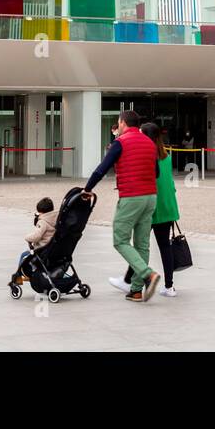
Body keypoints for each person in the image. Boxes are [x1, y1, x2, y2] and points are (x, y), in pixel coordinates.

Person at [81, 109, 160, 303]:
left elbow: (102, 168)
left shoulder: (120, 143)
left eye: (119, 123)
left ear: (123, 123)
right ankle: (135, 290)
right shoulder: (149, 143)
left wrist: (87, 188)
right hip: (150, 197)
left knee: (120, 239)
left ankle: (148, 274)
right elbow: (156, 172)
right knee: (142, 244)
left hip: (132, 197)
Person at [111, 122, 180, 298]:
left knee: (139, 245)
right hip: (168, 204)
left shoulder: (148, 155)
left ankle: (129, 280)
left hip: (152, 204)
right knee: (164, 246)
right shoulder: (166, 155)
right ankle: (169, 286)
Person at [12, 197, 57, 284]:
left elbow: (37, 236)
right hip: (53, 248)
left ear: (41, 212)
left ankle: (18, 278)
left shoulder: (43, 222)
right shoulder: (56, 219)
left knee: (24, 255)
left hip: (42, 249)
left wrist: (27, 237)